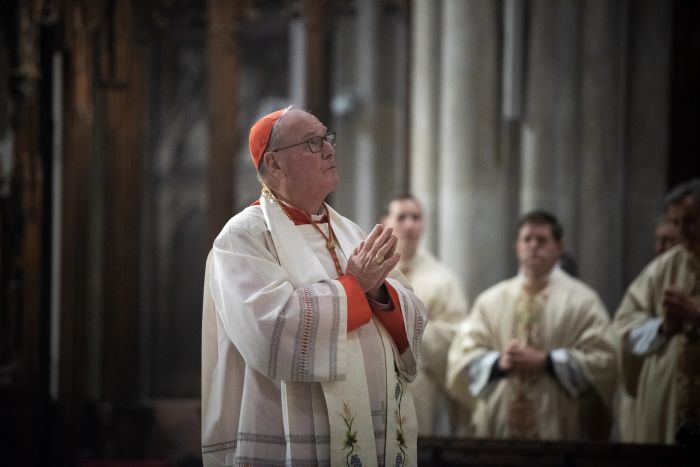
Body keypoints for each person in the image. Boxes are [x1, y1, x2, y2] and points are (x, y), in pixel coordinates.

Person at [201, 107, 426, 467]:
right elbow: (270, 328)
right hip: (290, 431)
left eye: (327, 138)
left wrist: (379, 294)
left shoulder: (349, 231)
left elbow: (411, 307)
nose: (329, 150)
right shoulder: (244, 237)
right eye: (312, 143)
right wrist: (354, 286)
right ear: (274, 164)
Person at [446, 211, 617, 440]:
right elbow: (462, 357)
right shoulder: (491, 300)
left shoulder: (583, 301)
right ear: (517, 246)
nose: (533, 246)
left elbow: (604, 360)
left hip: (558, 426)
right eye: (527, 239)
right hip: (500, 430)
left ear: (559, 246)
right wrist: (498, 362)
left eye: (542, 239)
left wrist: (548, 362)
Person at [613, 178, 700, 445]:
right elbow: (623, 328)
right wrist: (664, 328)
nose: (682, 231)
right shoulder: (662, 269)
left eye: (691, 221)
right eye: (676, 223)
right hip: (667, 411)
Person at [381, 194, 471, 437]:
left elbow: (457, 338)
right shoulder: (372, 271)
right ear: (385, 221)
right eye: (402, 217)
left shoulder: (443, 280)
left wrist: (405, 330)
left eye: (416, 217)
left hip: (420, 389)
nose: (410, 224)